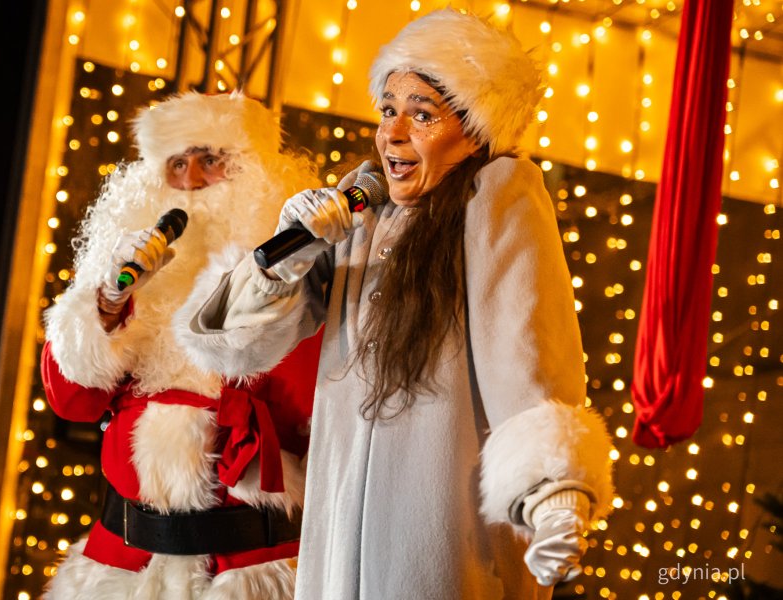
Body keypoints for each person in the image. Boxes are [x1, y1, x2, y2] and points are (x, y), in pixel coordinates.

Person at [177, 9, 614, 599]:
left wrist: (553, 494)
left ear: (476, 129)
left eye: (422, 114)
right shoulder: (362, 209)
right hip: (335, 545)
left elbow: (528, 354)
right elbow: (232, 343)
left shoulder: (497, 195)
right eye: (388, 110)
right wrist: (289, 253)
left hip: (439, 542)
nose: (393, 133)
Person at [40, 91, 322, 599]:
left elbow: (308, 406)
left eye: (210, 160)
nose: (190, 180)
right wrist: (105, 307)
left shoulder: (304, 272)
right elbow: (72, 400)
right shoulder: (121, 278)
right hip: (123, 564)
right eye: (176, 164)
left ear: (252, 172)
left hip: (251, 567)